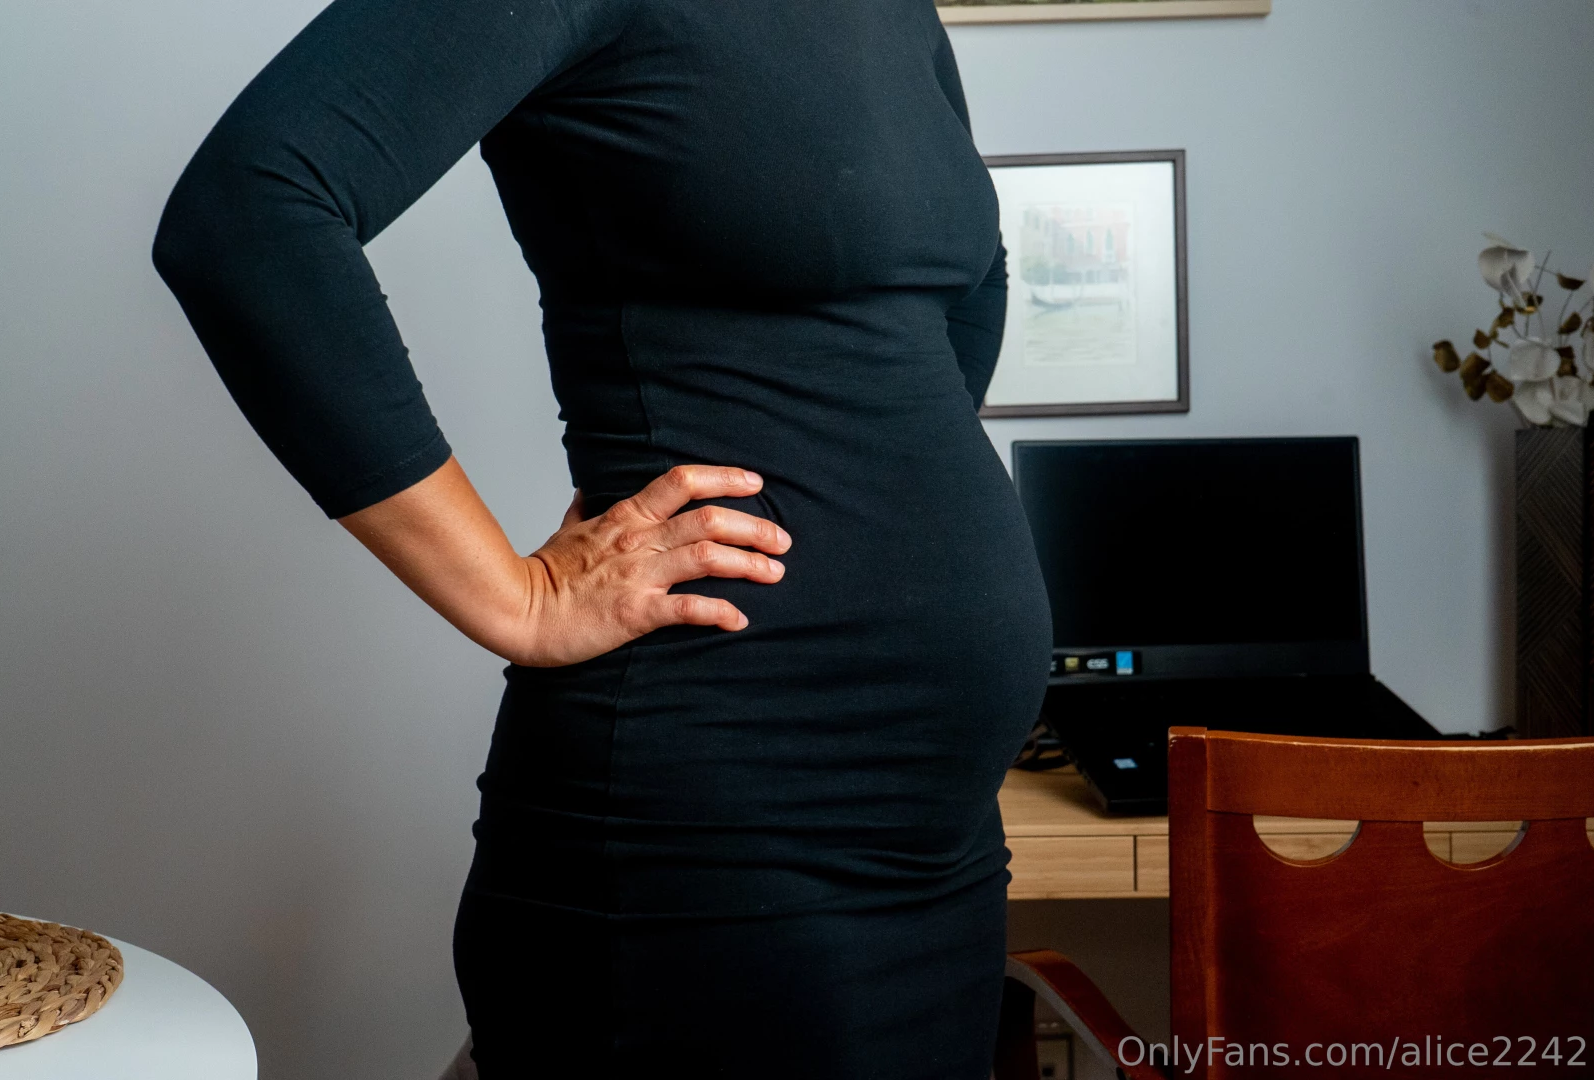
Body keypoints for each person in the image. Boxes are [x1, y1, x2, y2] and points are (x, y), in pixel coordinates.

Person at [151, 0, 1052, 1075]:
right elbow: (247, 211)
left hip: (942, 841)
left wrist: (897, 533)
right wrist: (515, 598)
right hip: (722, 824)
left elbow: (962, 288)